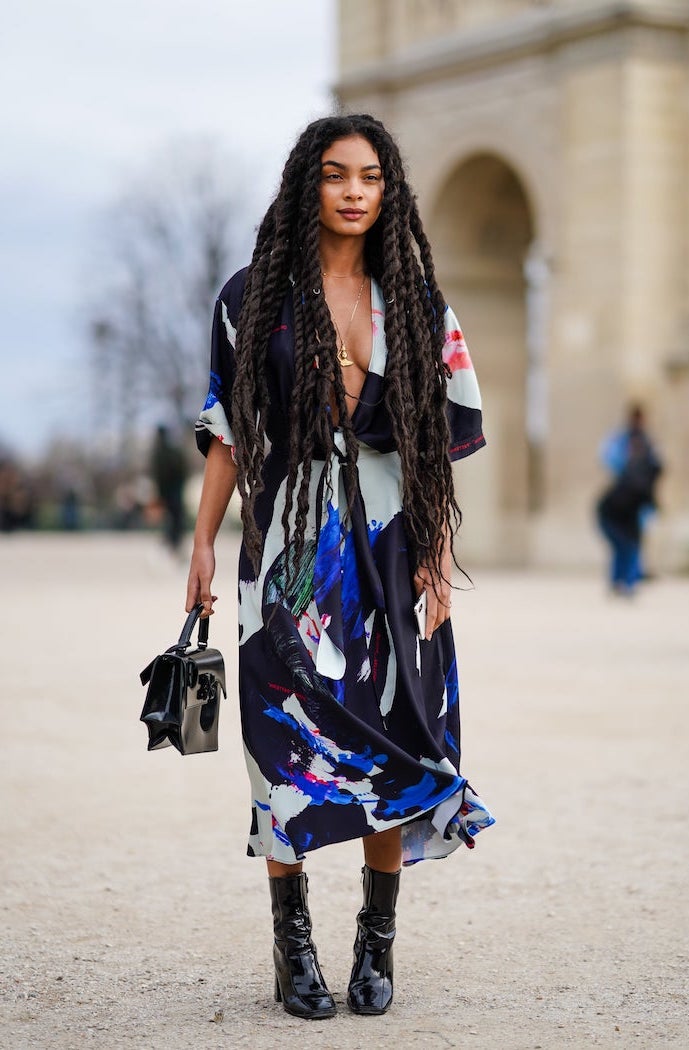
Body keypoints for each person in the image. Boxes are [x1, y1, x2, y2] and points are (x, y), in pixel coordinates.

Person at [186, 114, 494, 1020]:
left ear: (388, 190)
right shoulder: (251, 299)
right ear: (306, 186)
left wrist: (438, 559)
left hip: (394, 552)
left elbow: (438, 444)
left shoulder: (422, 305)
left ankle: (376, 942)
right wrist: (204, 541)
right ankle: (293, 949)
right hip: (284, 553)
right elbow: (228, 430)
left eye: (369, 176)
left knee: (394, 733)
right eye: (334, 175)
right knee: (279, 744)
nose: (354, 190)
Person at [599, 405, 662, 583]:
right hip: (626, 496)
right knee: (626, 541)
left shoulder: (647, 441)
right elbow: (609, 459)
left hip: (635, 498)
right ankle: (625, 578)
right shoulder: (621, 440)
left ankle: (631, 577)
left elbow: (657, 466)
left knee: (634, 539)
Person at [151, 424, 188, 554]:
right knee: (175, 517)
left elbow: (158, 474)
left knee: (172, 518)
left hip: (169, 490)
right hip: (174, 490)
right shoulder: (172, 451)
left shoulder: (159, 452)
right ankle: (173, 541)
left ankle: (172, 541)